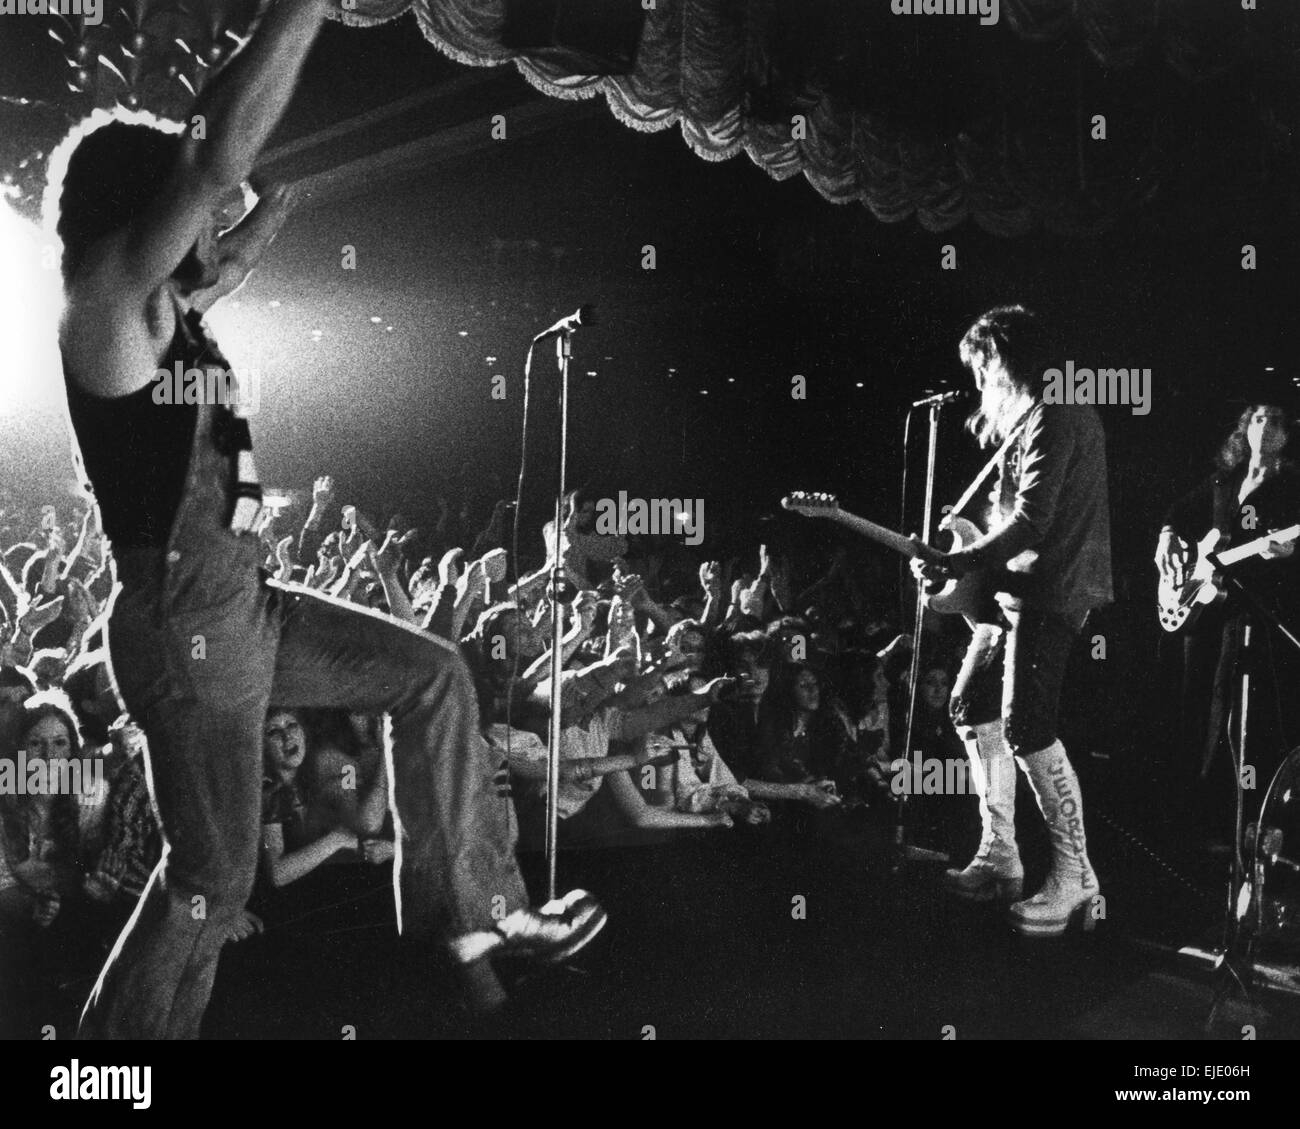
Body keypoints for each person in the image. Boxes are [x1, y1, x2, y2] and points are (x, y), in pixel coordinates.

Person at [49, 0, 603, 1039]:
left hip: (242, 606)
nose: (208, 232)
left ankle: (481, 923)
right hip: (183, 622)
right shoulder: (107, 304)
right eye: (185, 210)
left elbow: (234, 210)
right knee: (208, 886)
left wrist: (273, 193)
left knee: (434, 674)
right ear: (140, 206)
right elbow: (210, 171)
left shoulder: (174, 309)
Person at [913, 306, 1112, 937]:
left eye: (982, 367)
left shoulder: (1056, 411)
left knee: (1028, 728)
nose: (978, 383)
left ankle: (1076, 875)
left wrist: (959, 556)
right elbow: (1007, 525)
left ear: (1005, 357)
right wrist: (965, 552)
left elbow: (1031, 523)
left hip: (1051, 594)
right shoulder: (1032, 417)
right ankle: (1001, 855)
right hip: (1015, 593)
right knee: (971, 706)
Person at [1154, 393, 1300, 841]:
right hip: (1204, 610)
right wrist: (1165, 538)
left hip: (1254, 612)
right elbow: (1178, 513)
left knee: (1240, 714)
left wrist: (1288, 554)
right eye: (1258, 417)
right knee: (1195, 703)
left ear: (1287, 433)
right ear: (1245, 426)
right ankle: (1189, 814)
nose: (1266, 425)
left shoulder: (1292, 483)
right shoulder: (1225, 479)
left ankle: (1240, 822)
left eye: (1275, 419)